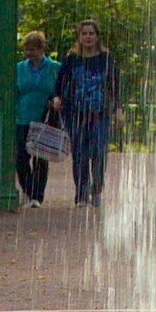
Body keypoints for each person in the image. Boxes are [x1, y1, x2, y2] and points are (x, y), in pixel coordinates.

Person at [51, 20, 116, 207]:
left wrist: (118, 109)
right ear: (79, 37)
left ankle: (96, 191)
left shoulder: (105, 58)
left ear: (97, 36)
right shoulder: (72, 59)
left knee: (99, 153)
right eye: (84, 34)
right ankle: (81, 194)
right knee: (80, 154)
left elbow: (114, 84)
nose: (88, 37)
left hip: (99, 113)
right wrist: (57, 97)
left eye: (91, 33)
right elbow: (60, 82)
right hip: (76, 113)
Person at [11, 29, 63, 206]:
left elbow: (62, 89)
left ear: (42, 49)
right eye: (27, 49)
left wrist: (55, 100)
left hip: (44, 119)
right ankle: (29, 189)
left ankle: (37, 196)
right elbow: (14, 91)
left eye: (32, 49)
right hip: (22, 117)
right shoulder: (18, 68)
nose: (29, 53)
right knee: (21, 158)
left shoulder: (55, 68)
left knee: (41, 157)